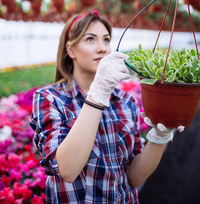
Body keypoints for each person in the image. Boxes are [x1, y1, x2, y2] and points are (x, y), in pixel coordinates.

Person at [29, 10, 184, 204]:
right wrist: (99, 92)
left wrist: (159, 138)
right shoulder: (50, 99)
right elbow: (67, 170)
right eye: (90, 39)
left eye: (106, 40)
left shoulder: (126, 101)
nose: (102, 48)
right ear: (70, 50)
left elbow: (134, 178)